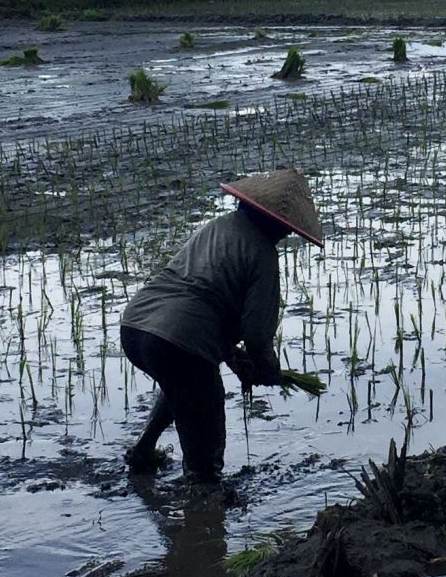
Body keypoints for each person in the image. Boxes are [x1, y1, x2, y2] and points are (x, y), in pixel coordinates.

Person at [120, 168, 324, 481]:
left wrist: (230, 355)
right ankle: (202, 512)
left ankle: (143, 452)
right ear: (278, 225)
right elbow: (257, 335)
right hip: (180, 340)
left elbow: (201, 296)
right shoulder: (263, 254)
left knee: (184, 384)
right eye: (287, 230)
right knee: (205, 459)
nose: (287, 236)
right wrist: (267, 369)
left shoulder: (217, 227)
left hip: (137, 325)